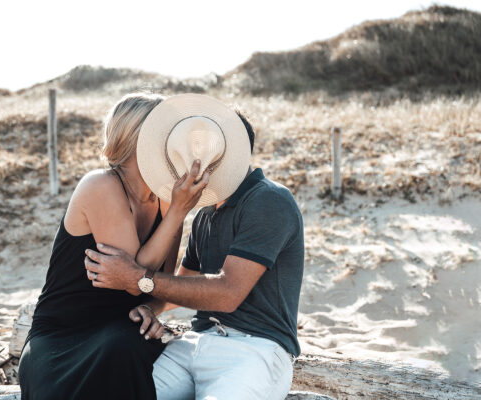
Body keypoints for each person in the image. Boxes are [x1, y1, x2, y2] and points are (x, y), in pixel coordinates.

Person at [85, 93, 304, 400]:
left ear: (232, 150)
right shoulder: (205, 213)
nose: (190, 156)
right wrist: (149, 308)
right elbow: (182, 284)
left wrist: (137, 279)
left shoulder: (268, 200)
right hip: (193, 343)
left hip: (254, 349)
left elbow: (227, 294)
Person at [18, 92, 209, 400]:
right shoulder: (101, 186)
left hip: (119, 331)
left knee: (128, 346)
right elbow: (135, 282)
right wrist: (178, 212)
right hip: (62, 338)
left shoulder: (166, 200)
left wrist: (149, 308)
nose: (178, 146)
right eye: (167, 135)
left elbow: (156, 285)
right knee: (122, 349)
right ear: (139, 140)